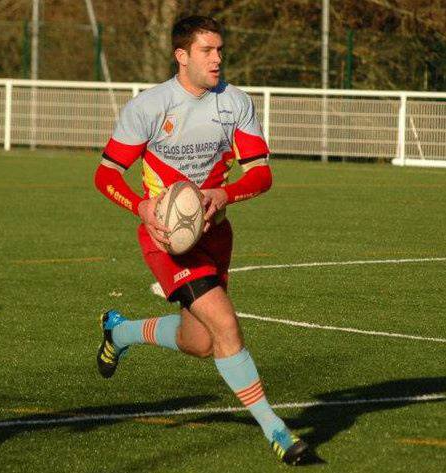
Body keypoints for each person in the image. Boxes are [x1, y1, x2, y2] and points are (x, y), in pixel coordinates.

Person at [94, 15, 308, 465]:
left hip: (216, 235)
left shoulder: (235, 102)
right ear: (181, 56)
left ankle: (122, 331)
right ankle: (278, 431)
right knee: (226, 325)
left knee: (202, 341)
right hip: (167, 239)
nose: (218, 58)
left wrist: (223, 193)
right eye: (207, 50)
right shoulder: (149, 107)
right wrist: (142, 206)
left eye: (220, 50)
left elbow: (262, 174)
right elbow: (106, 173)